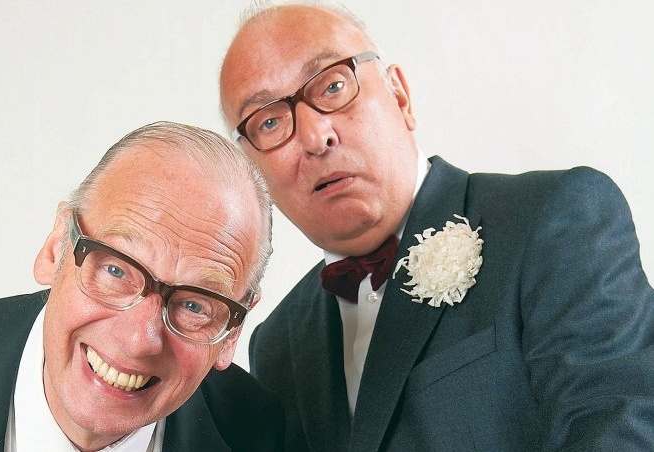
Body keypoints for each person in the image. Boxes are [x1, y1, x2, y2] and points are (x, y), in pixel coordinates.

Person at [219, 2, 654, 451]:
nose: (315, 137)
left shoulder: (554, 218)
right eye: (269, 121)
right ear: (255, 174)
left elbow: (620, 425)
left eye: (333, 86)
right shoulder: (277, 343)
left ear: (400, 96)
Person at [0, 121, 284, 451]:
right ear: (57, 246)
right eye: (116, 271)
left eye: (194, 305)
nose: (138, 341)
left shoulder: (264, 434)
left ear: (233, 333)